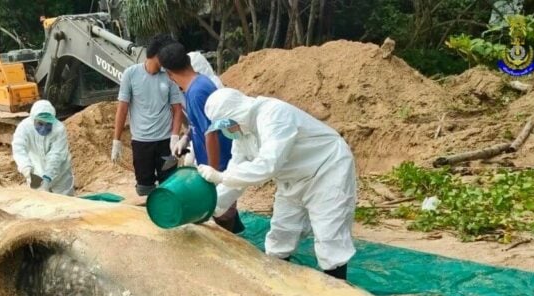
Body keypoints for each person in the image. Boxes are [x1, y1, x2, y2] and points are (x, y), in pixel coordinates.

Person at [197, 88, 357, 280]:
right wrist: (211, 206)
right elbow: (237, 172)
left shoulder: (273, 115)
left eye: (227, 124)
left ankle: (339, 292)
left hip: (327, 169)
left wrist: (221, 177)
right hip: (292, 178)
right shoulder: (243, 134)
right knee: (281, 231)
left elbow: (267, 165)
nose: (227, 130)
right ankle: (280, 283)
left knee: (329, 233)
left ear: (236, 114)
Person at [158, 43, 243, 234]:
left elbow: (210, 133)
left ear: (169, 74)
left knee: (221, 211)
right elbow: (200, 124)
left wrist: (212, 171)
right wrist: (186, 138)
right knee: (220, 209)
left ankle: (230, 251)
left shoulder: (196, 93)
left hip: (219, 162)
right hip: (214, 159)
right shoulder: (198, 85)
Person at [111, 34, 184, 196]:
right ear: (158, 55)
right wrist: (116, 140)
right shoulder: (130, 74)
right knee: (144, 188)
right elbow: (122, 108)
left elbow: (177, 109)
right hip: (141, 143)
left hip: (165, 143)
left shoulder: (168, 76)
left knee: (170, 186)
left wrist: (174, 136)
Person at [12, 99, 75, 195]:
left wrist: (47, 178)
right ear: (33, 119)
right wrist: (27, 169)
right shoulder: (24, 128)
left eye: (48, 124)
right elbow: (19, 149)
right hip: (35, 173)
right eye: (40, 124)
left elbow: (56, 155)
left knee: (66, 202)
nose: (44, 128)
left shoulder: (59, 129)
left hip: (60, 173)